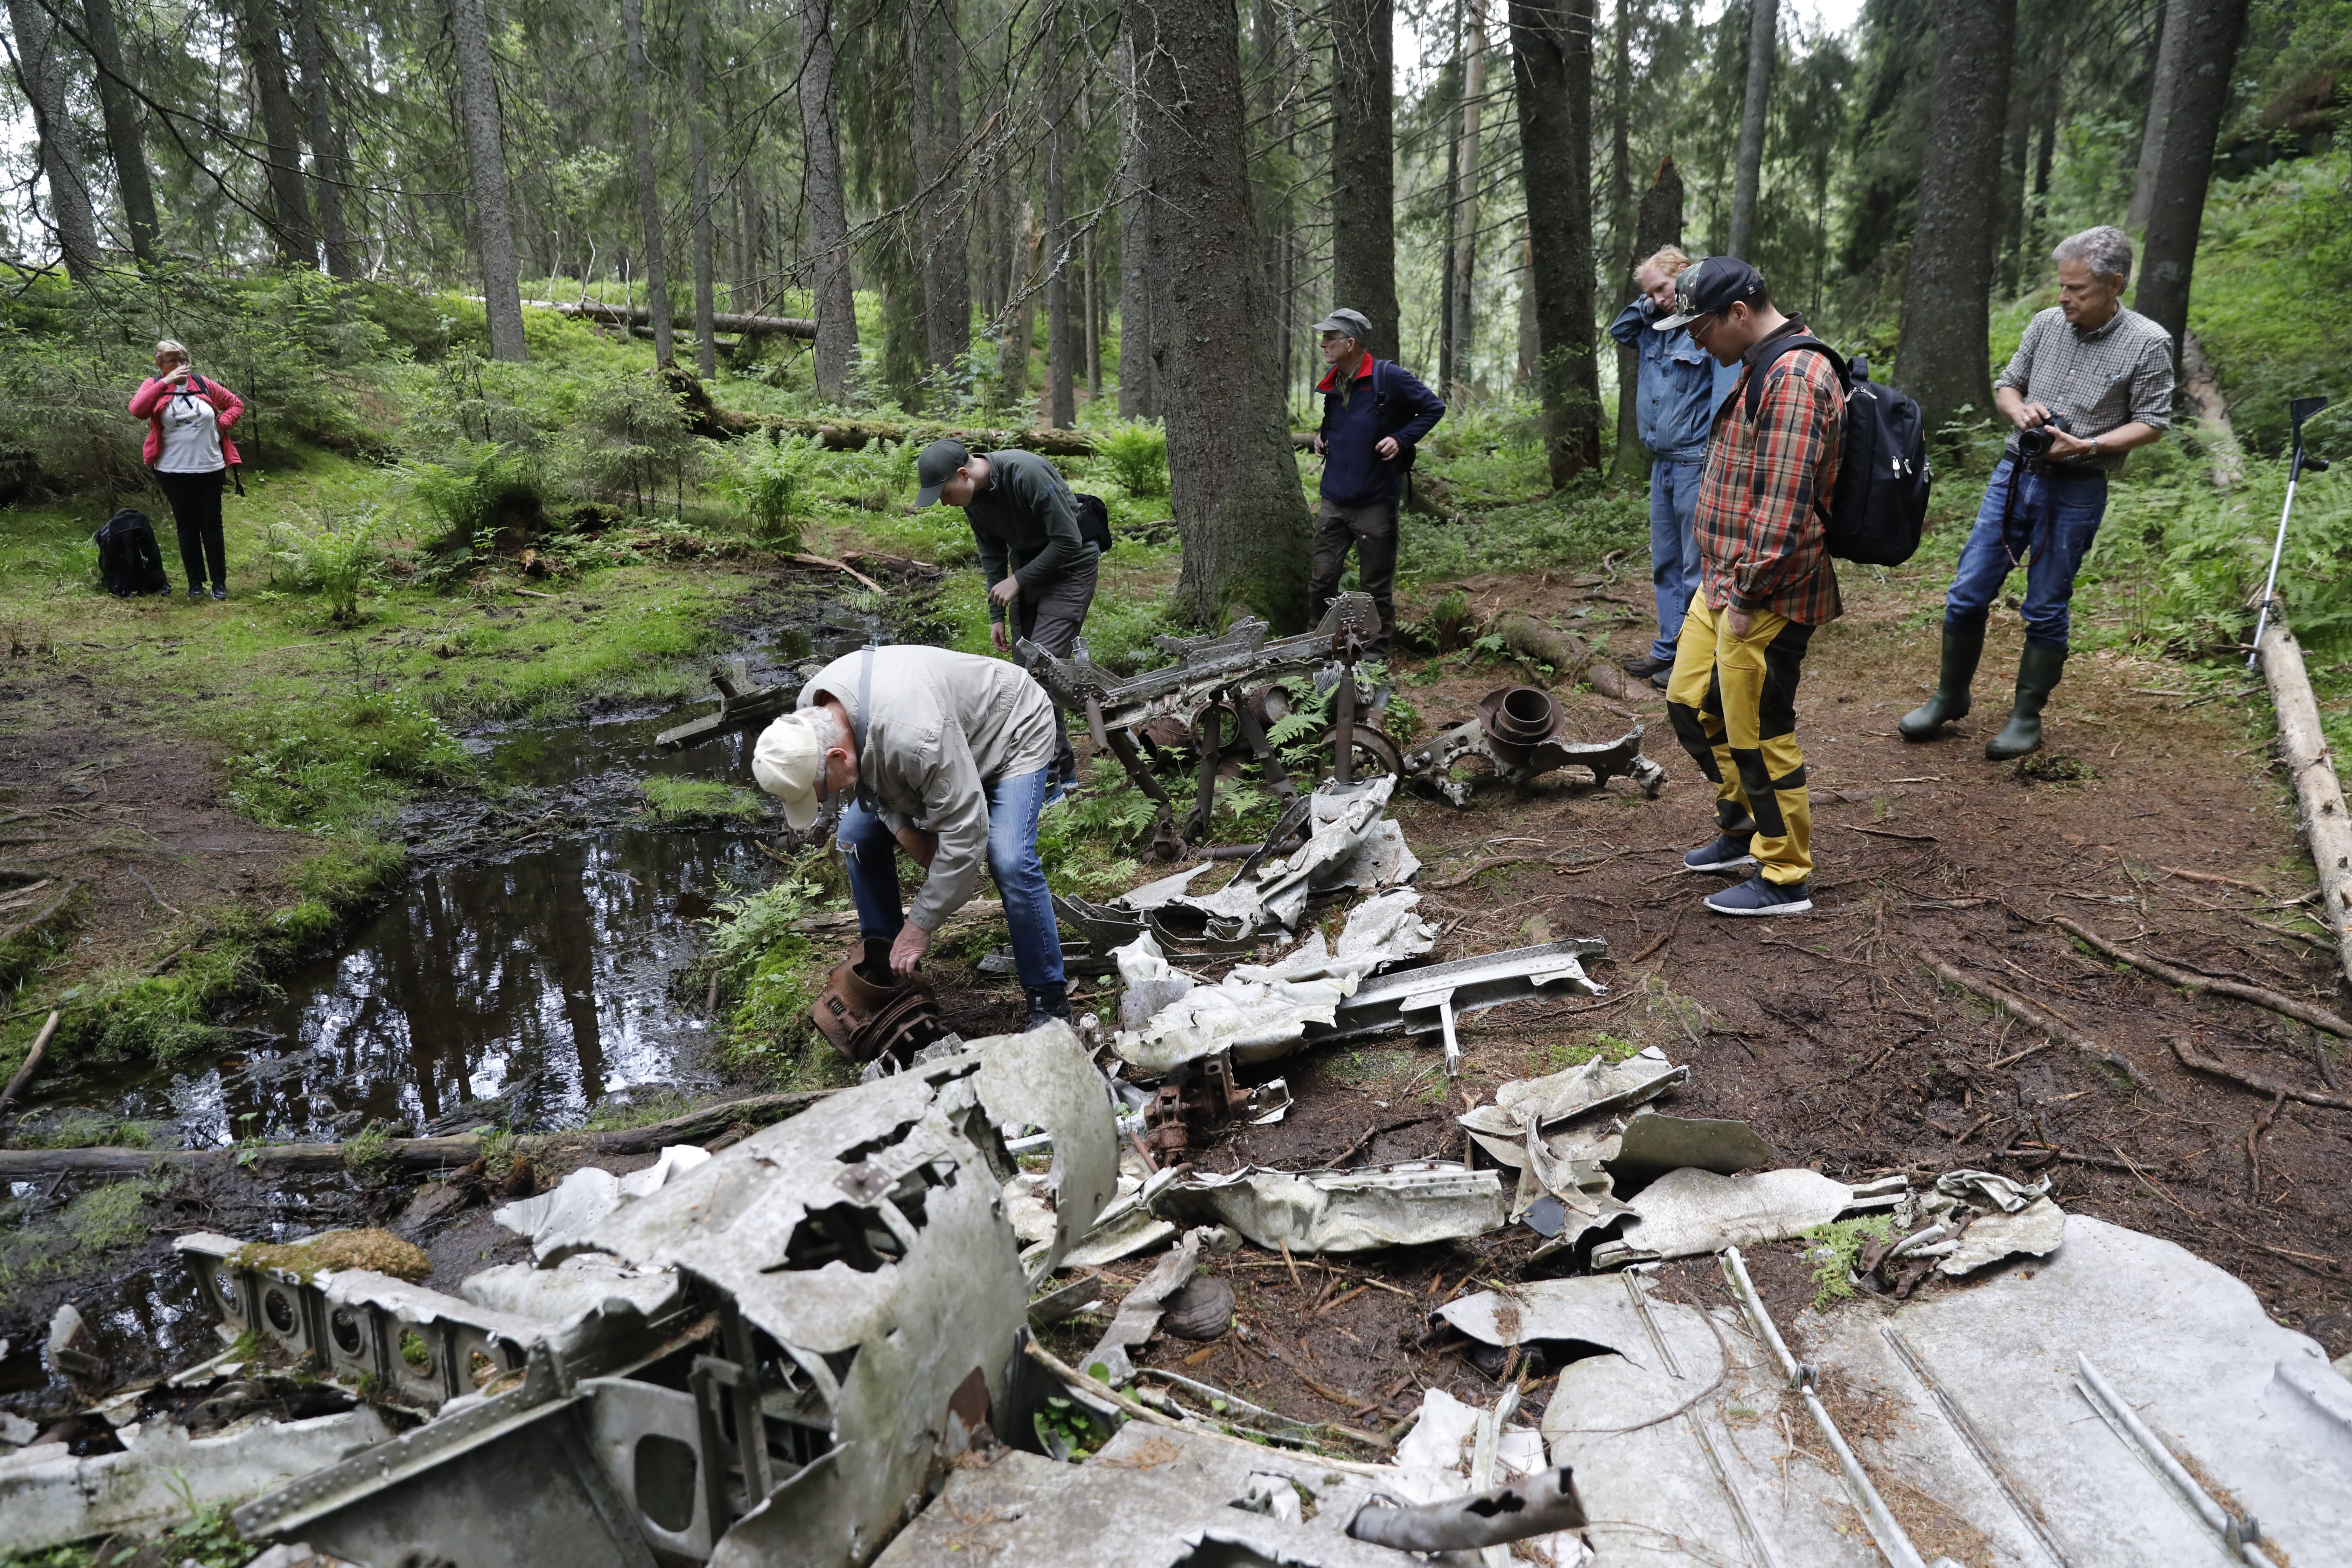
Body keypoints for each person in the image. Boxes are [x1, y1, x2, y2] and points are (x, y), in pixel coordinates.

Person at [1897, 225, 2173, 759]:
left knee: (2045, 606)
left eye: (2078, 289)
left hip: (2077, 487)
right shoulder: (2046, 323)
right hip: (2014, 475)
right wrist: (2019, 410)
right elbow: (2008, 384)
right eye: (2062, 286)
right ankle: (1950, 695)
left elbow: (2153, 423)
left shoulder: (2148, 342)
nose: (2064, 298)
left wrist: (2087, 445)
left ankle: (2026, 716)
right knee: (1967, 593)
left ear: (2115, 284)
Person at [1651, 257, 1844, 917]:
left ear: (1738, 313)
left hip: (1764, 592)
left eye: (1700, 328)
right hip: (1723, 580)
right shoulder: (1759, 363)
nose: (1694, 342)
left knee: (1760, 730)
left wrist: (1747, 594)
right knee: (1691, 704)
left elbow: (1784, 508)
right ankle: (1744, 826)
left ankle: (1785, 874)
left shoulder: (1795, 379)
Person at [749, 643, 1072, 1030]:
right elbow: (871, 773)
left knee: (1010, 859)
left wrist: (921, 924)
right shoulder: (810, 714)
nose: (822, 800)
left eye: (820, 791)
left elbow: (966, 835)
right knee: (855, 838)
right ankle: (889, 969)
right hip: (943, 741)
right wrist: (905, 830)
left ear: (837, 758)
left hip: (1010, 727)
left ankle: (1048, 1000)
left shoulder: (916, 738)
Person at [915, 438, 1097, 785]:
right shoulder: (973, 498)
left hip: (1071, 570)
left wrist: (1018, 581)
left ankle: (1047, 781)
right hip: (1029, 572)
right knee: (1025, 677)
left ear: (964, 474)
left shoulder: (1027, 473)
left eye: (945, 493)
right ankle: (1061, 773)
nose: (945, 502)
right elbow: (992, 555)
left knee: (1038, 673)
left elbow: (1069, 541)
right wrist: (996, 615)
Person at [1607, 248, 1741, 689]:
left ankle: (1690, 657)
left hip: (1694, 464)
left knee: (1693, 567)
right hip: (1662, 466)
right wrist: (1649, 303)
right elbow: (1620, 330)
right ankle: (1667, 647)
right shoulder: (1653, 327)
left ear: (1685, 276)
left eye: (1662, 288)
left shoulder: (1706, 330)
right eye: (1651, 293)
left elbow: (1724, 399)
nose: (1658, 299)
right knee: (1665, 562)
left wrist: (1717, 460)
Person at [1305, 308, 1445, 655]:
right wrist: (1323, 436)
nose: (1323, 344)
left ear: (1350, 343)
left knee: (1375, 588)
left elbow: (1433, 408)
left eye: (1329, 338)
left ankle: (1374, 655)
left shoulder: (1389, 377)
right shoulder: (1334, 382)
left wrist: (1401, 439)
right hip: (1334, 500)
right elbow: (1339, 421)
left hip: (1375, 502)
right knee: (1322, 580)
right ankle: (1318, 646)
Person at [128, 340, 244, 602]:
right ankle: (195, 584)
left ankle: (219, 584)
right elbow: (138, 410)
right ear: (160, 363)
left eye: (183, 359)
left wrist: (221, 427)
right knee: (187, 525)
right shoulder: (154, 385)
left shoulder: (202, 383)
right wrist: (165, 382)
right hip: (172, 469)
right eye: (172, 360)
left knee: (212, 524)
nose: (180, 365)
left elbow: (236, 405)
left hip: (210, 466)